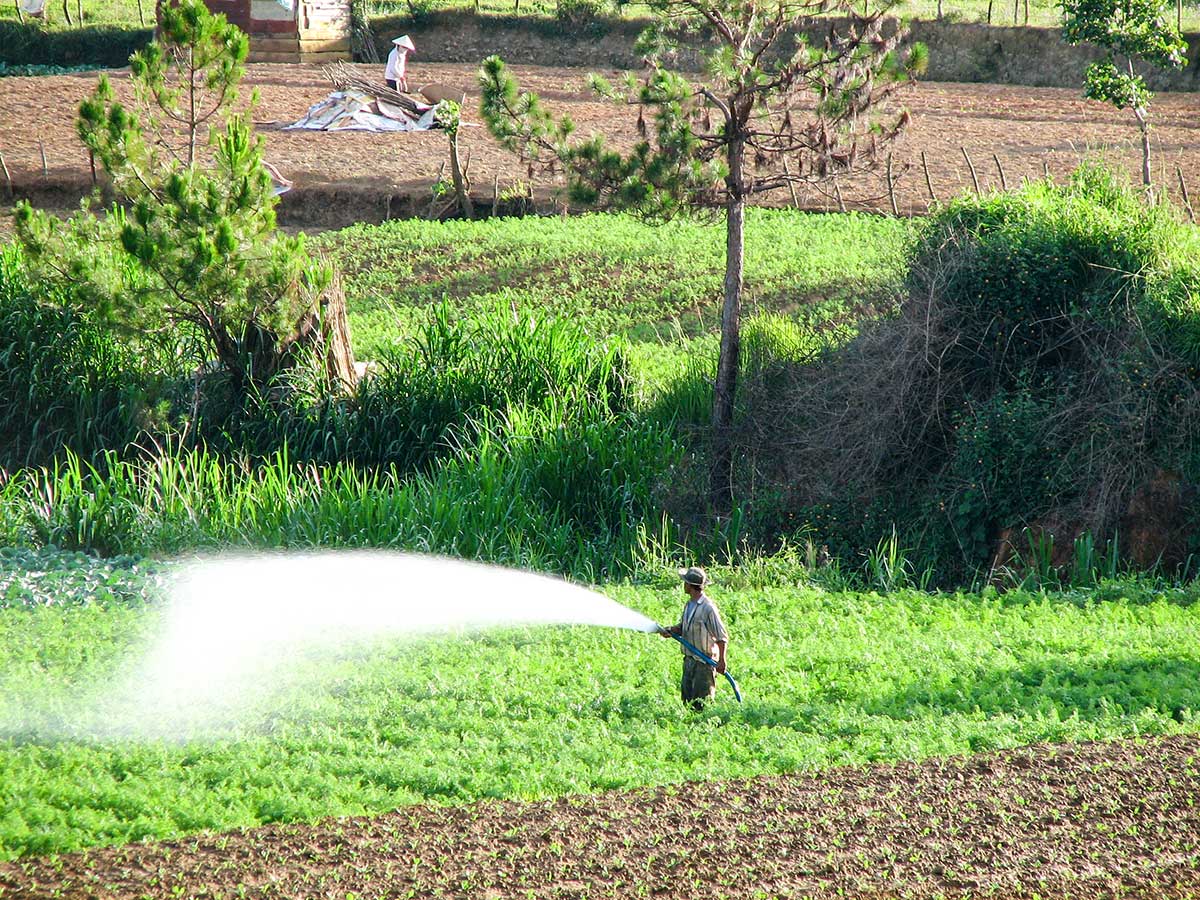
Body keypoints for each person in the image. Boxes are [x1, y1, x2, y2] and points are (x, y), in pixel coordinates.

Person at [660, 566, 729, 710]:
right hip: (689, 661)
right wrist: (671, 630)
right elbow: (684, 627)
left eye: (685, 582)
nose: (683, 585)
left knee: (702, 704)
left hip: (704, 664)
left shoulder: (708, 608)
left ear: (691, 586)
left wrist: (722, 661)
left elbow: (721, 637)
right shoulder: (689, 605)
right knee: (687, 702)